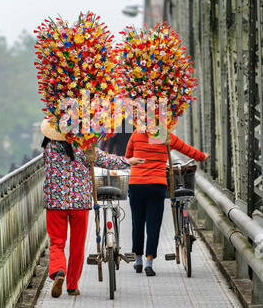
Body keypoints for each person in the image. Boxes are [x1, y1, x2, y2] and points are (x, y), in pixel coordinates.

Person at [41, 119, 145, 298]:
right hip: (79, 202)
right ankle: (72, 286)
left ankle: (58, 271)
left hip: (55, 203)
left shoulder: (48, 149)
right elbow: (105, 159)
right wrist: (128, 161)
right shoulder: (83, 148)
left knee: (57, 242)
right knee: (77, 245)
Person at [125, 130, 210, 276]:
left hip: (136, 184)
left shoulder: (136, 134)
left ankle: (137, 260)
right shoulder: (165, 136)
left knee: (137, 223)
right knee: (154, 225)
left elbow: (128, 157)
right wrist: (202, 156)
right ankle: (149, 263)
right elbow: (186, 149)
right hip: (157, 185)